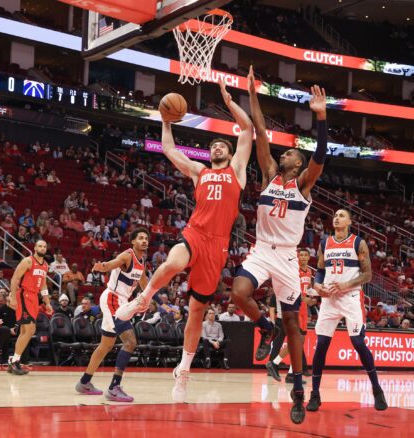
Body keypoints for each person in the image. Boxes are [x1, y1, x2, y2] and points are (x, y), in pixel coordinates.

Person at [116, 80, 252, 404]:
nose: (217, 147)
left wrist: (231, 103)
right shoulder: (199, 171)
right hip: (195, 232)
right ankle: (143, 299)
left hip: (218, 245)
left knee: (195, 313)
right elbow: (169, 150)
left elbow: (247, 132)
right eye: (214, 145)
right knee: (173, 262)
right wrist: (165, 122)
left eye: (222, 145)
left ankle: (184, 370)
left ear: (230, 153)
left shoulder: (238, 171)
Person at [230, 68, 328, 424]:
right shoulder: (270, 172)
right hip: (261, 249)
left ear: (298, 163)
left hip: (287, 256)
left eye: (289, 154)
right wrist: (253, 94)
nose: (283, 154)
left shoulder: (304, 184)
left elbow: (321, 154)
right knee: (238, 293)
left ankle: (298, 392)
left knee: (293, 325)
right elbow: (258, 132)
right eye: (283, 153)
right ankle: (263, 328)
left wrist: (321, 118)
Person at [306, 209, 387, 412]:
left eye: (341, 215)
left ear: (350, 221)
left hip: (351, 297)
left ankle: (377, 389)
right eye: (335, 215)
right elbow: (321, 271)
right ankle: (315, 394)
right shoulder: (325, 242)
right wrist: (317, 286)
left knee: (358, 342)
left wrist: (346, 285)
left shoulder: (357, 242)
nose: (336, 218)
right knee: (321, 345)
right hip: (330, 299)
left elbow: (367, 275)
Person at [75, 228, 149, 402]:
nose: (144, 241)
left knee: (106, 345)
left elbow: (145, 283)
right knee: (130, 342)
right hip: (113, 299)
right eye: (140, 238)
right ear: (133, 241)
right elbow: (110, 264)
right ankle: (114, 387)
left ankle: (84, 382)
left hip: (121, 302)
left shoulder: (141, 262)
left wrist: (159, 303)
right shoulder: (127, 255)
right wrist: (102, 267)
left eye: (146, 238)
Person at [266, 249, 314, 382]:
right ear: (298, 258)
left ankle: (291, 374)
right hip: (295, 307)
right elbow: (291, 290)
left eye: (305, 255)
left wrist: (319, 293)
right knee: (296, 340)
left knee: (301, 341)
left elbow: (307, 289)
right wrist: (303, 299)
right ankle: (275, 363)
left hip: (304, 309)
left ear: (309, 257)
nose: (303, 257)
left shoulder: (309, 272)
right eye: (301, 255)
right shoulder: (294, 271)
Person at [7, 240, 52, 375]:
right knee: (30, 329)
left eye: (44, 246)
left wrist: (47, 302)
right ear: (34, 248)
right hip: (24, 295)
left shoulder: (45, 266)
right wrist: (13, 297)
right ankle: (15, 361)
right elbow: (15, 278)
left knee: (24, 331)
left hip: (34, 298)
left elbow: (43, 285)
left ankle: (14, 361)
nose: (42, 248)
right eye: (40, 246)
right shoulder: (28, 261)